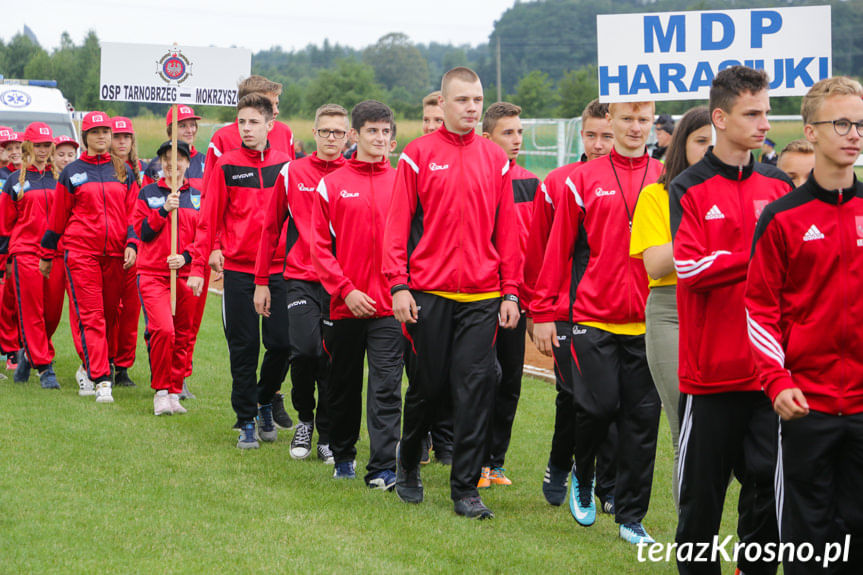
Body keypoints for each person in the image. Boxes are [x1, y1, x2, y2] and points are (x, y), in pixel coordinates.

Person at [670, 66, 793, 575]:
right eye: (753, 113)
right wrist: (758, 251)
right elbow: (691, 268)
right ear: (720, 118)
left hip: (768, 372)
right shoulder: (687, 187)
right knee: (701, 504)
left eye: (766, 111)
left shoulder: (779, 183)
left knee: (766, 486)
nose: (765, 123)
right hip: (710, 376)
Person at [384, 66, 521, 520]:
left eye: (477, 100)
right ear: (442, 105)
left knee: (476, 388)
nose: (471, 108)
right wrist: (398, 284)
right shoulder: (417, 155)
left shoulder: (495, 158)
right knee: (428, 386)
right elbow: (398, 225)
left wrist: (511, 292)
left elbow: (508, 232)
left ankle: (465, 488)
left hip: (482, 297)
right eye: (462, 100)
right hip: (429, 294)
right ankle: (407, 464)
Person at [746, 75, 863, 575]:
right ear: (811, 132)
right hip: (803, 406)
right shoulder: (781, 218)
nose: (853, 134)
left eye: (860, 124)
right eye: (841, 123)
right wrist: (776, 381)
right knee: (806, 540)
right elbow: (759, 310)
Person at [532, 99, 663, 545]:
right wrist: (545, 310)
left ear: (652, 125)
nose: (634, 127)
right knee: (597, 407)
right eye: (626, 119)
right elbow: (559, 249)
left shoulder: (667, 178)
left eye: (642, 120)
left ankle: (630, 516)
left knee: (643, 423)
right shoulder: (582, 179)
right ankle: (582, 475)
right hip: (591, 315)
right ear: (611, 122)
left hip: (649, 321)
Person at [524, 98, 618, 509]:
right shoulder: (558, 181)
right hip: (565, 310)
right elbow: (540, 251)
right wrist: (536, 309)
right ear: (581, 134)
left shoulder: (642, 184)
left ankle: (605, 481)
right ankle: (561, 465)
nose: (598, 144)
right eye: (591, 135)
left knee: (614, 400)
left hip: (615, 309)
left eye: (607, 136)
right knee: (574, 395)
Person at [188, 94, 292, 449]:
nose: (246, 129)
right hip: (239, 271)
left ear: (269, 126)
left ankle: (264, 398)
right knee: (244, 347)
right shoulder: (227, 165)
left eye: (253, 122)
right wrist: (199, 265)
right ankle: (246, 420)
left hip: (280, 271)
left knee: (282, 344)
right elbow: (208, 220)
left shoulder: (285, 165)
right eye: (241, 123)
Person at [311, 100, 402, 488]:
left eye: (386, 132)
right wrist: (345, 291)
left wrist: (402, 289)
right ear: (355, 135)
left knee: (386, 388)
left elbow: (412, 241)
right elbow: (318, 247)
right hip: (345, 307)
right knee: (343, 387)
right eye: (372, 131)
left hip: (388, 308)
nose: (379, 139)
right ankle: (343, 455)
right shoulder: (331, 184)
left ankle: (382, 467)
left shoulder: (402, 181)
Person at [254, 104, 349, 461]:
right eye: (324, 131)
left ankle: (325, 433)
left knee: (332, 359)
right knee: (306, 351)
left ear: (348, 136)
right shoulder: (291, 172)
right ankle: (305, 420)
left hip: (342, 284)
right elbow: (270, 227)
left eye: (338, 132)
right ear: (314, 131)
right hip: (300, 279)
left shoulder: (353, 174)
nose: (330, 138)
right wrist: (262, 280)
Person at [629, 106, 711, 512]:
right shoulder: (657, 194)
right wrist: (714, 230)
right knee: (688, 424)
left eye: (717, 143)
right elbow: (657, 264)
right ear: (682, 144)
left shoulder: (743, 191)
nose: (711, 150)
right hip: (672, 311)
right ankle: (692, 536)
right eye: (701, 142)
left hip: (728, 310)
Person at [40, 111, 138, 403]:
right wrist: (47, 253)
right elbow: (58, 218)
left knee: (109, 315)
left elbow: (133, 212)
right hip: (81, 252)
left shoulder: (124, 172)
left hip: (116, 254)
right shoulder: (72, 172)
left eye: (105, 131)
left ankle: (87, 366)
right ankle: (101, 379)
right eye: (95, 132)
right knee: (91, 316)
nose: (102, 136)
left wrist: (132, 241)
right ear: (85, 137)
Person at [477, 101, 539, 489]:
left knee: (510, 380)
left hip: (518, 300)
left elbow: (536, 249)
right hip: (482, 297)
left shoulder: (532, 182)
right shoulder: (478, 181)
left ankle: (496, 462)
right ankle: (474, 458)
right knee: (484, 378)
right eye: (507, 133)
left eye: (519, 132)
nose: (516, 140)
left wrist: (531, 303)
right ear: (487, 138)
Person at [134, 141, 200, 416]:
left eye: (179, 158)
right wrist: (163, 211)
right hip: (153, 273)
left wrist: (185, 257)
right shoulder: (148, 193)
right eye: (167, 158)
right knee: (163, 330)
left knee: (183, 336)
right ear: (160, 162)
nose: (173, 164)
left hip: (184, 274)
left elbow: (204, 238)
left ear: (187, 163)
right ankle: (161, 390)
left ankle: (175, 391)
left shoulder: (197, 196)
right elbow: (142, 232)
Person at [0, 122, 65, 388]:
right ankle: (45, 366)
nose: (42, 150)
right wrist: (4, 261)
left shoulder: (62, 177)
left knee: (52, 313)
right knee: (33, 311)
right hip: (25, 252)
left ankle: (28, 352)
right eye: (37, 145)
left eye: (46, 145)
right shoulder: (15, 181)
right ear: (28, 146)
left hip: (57, 253)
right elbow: (4, 223)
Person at [109, 116, 142, 388]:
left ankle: (122, 366)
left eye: (126, 137)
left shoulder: (146, 170)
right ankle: (105, 358)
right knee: (110, 308)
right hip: (110, 247)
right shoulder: (104, 169)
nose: (121, 142)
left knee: (131, 310)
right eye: (117, 137)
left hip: (140, 250)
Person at [0, 129, 23, 371]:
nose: (14, 152)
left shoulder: (23, 176)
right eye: (9, 148)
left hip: (14, 244)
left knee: (14, 299)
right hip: (4, 242)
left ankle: (15, 350)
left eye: (18, 147)